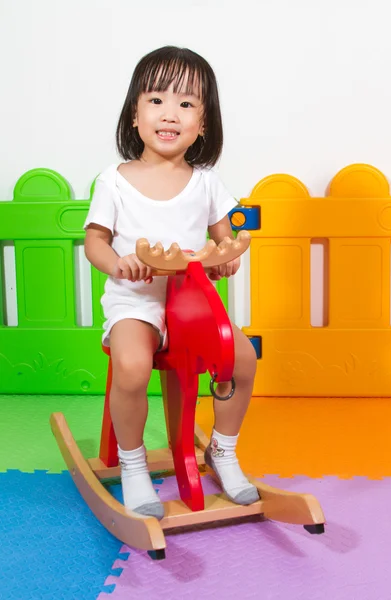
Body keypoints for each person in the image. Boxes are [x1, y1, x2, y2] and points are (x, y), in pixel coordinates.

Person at [84, 46, 259, 520]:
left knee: (241, 358)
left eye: (186, 104)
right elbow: (95, 242)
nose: (170, 113)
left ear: (203, 124)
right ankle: (134, 462)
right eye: (156, 100)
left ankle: (222, 450)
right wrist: (119, 264)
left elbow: (224, 243)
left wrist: (225, 262)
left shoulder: (205, 182)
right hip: (136, 302)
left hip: (191, 306)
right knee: (133, 364)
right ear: (135, 114)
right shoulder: (115, 179)